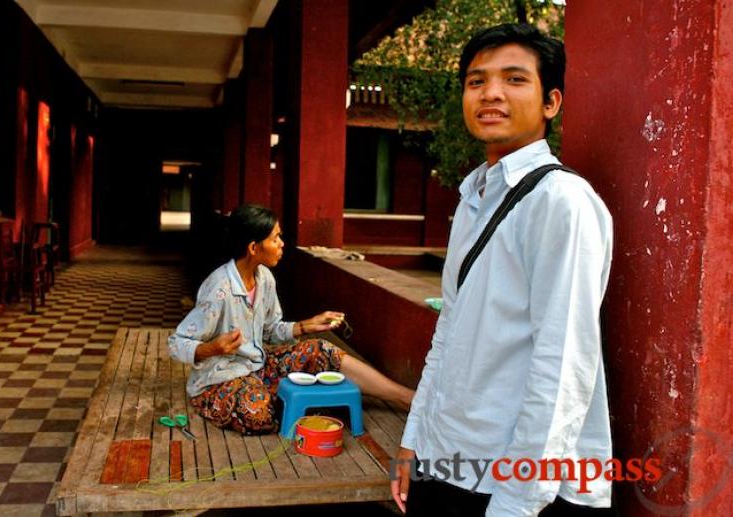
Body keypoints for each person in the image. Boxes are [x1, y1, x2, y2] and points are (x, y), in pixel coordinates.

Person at [392, 24, 615, 516]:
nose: (490, 93)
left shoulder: (561, 202)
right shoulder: (475, 197)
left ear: (551, 103)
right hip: (450, 461)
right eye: (476, 81)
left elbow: (563, 366)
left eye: (514, 79)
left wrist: (518, 502)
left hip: (512, 484)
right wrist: (416, 441)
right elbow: (448, 333)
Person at [168, 204, 414, 435]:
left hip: (257, 368)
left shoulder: (264, 278)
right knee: (257, 413)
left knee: (321, 350)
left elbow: (270, 331)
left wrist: (307, 325)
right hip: (220, 379)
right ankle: (297, 399)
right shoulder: (219, 289)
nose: (282, 244)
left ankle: (407, 398)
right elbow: (176, 343)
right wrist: (212, 348)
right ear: (254, 248)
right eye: (275, 238)